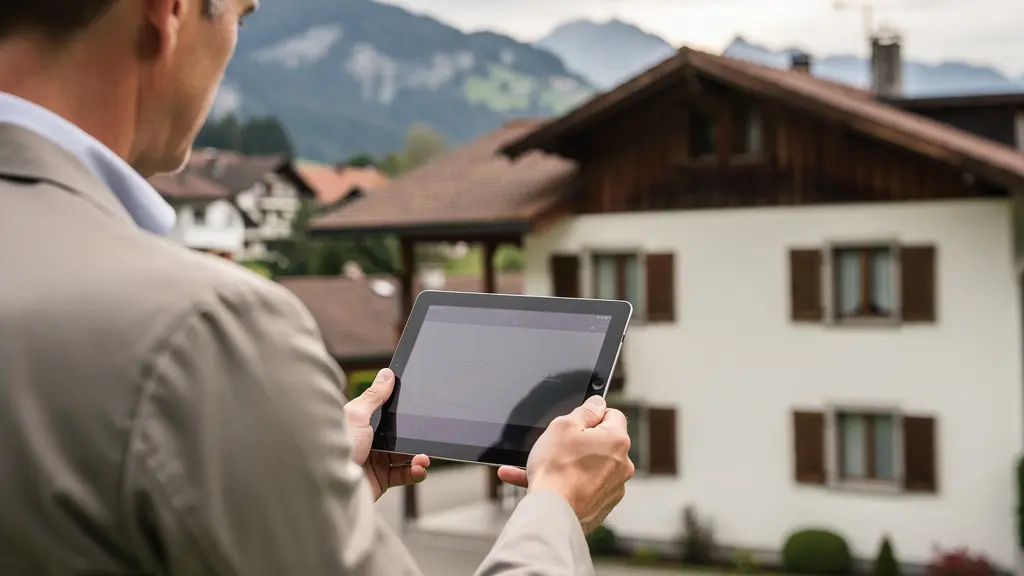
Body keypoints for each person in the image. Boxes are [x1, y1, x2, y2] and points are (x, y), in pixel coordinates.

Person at [0, 1, 636, 574]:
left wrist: (313, 496)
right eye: (239, 17)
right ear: (169, 14)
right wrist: (556, 509)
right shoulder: (205, 327)